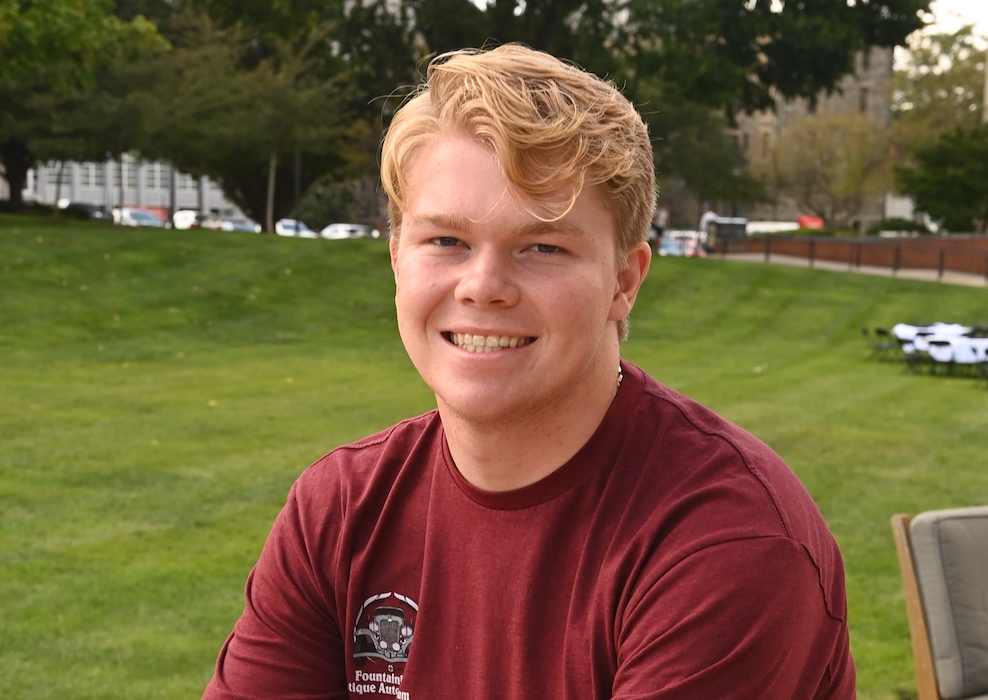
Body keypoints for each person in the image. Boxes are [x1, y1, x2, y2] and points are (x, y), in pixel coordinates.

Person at [203, 44, 854, 700]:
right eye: (446, 242)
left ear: (624, 281)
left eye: (543, 246)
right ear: (398, 259)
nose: (484, 286)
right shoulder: (341, 509)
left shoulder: (726, 540)